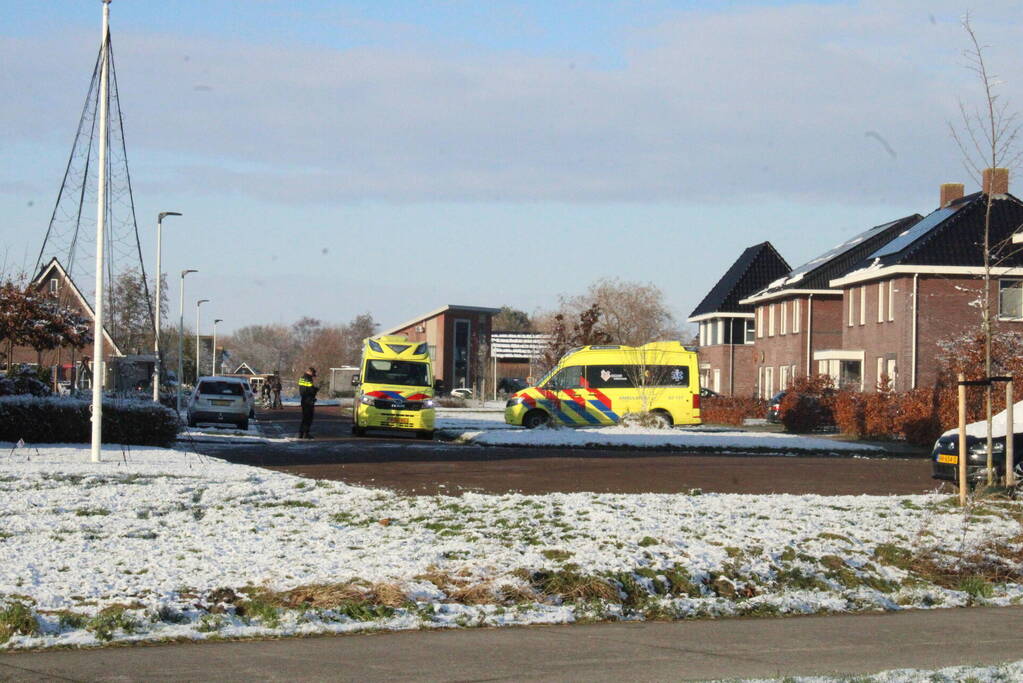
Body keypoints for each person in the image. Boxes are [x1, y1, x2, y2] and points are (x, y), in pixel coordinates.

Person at [297, 367, 319, 438]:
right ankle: (306, 433)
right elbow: (311, 390)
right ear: (310, 372)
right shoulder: (309, 379)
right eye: (313, 374)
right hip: (309, 400)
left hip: (304, 399)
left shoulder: (302, 378)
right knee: (309, 418)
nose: (313, 375)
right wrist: (316, 389)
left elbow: (303, 389)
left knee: (304, 417)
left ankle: (301, 433)